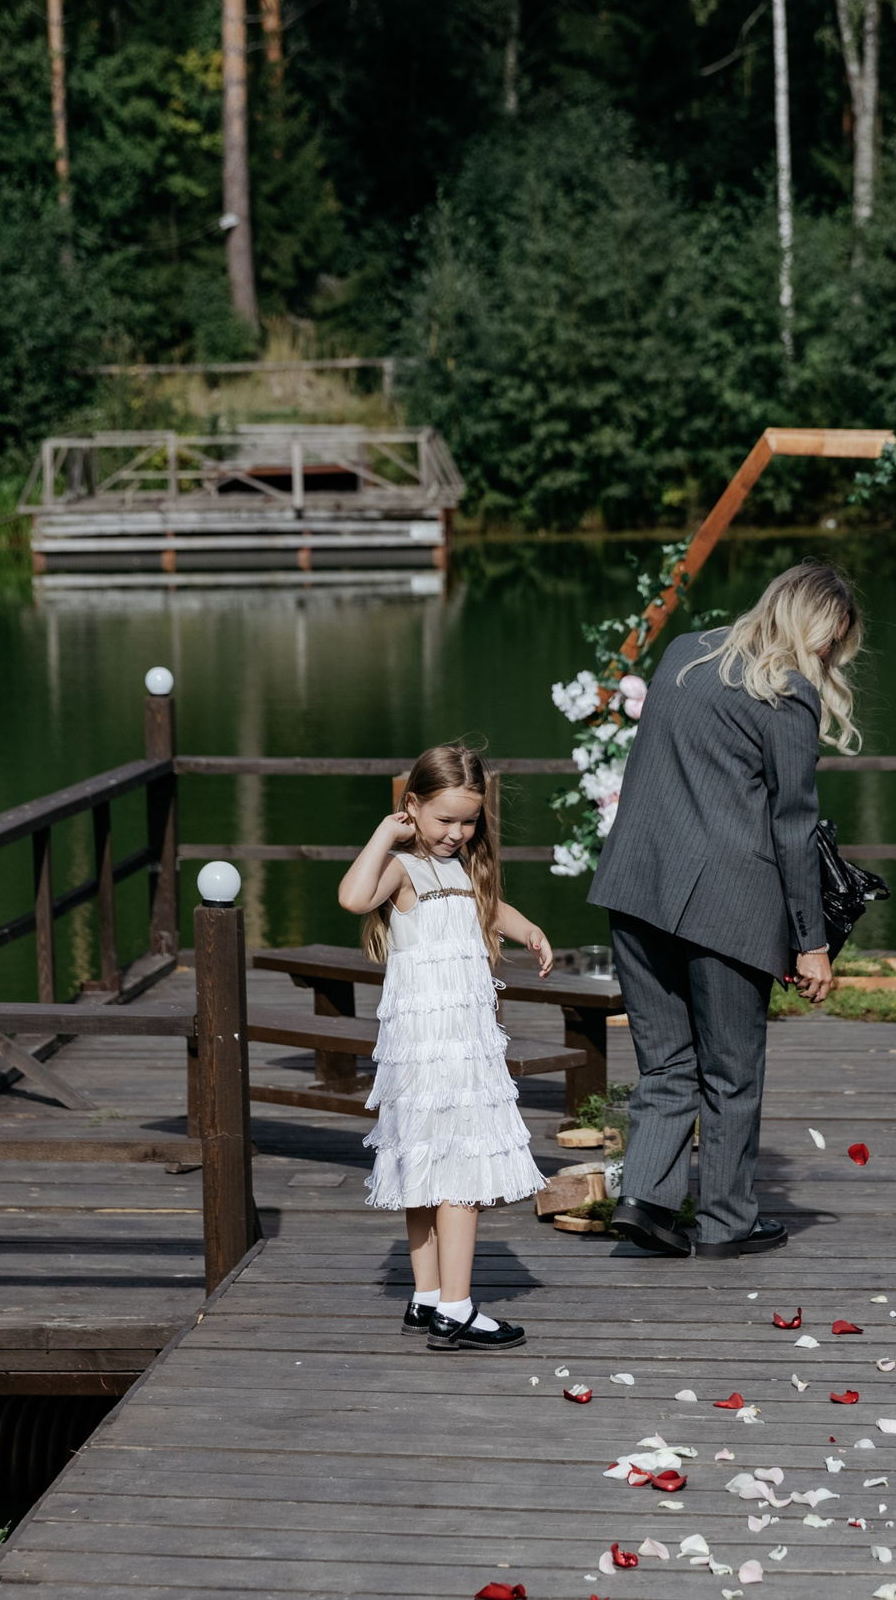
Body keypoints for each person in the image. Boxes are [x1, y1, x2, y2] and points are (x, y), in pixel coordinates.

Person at [588, 559, 862, 1259]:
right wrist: (812, 940)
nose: (832, 657)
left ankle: (646, 1199)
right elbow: (794, 825)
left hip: (636, 883)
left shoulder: (685, 652)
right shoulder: (788, 693)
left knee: (665, 1062)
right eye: (834, 642)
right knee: (732, 1070)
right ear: (817, 629)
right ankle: (725, 1220)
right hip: (728, 905)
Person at [337, 743, 553, 1350]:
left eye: (468, 821)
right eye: (444, 820)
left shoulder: (459, 869)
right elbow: (354, 898)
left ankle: (426, 1297)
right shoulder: (403, 868)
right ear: (413, 808)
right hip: (432, 1049)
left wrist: (528, 928)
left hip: (463, 1041)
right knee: (456, 1172)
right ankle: (457, 1309)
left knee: (428, 1167)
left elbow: (485, 908)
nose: (456, 833)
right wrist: (386, 832)